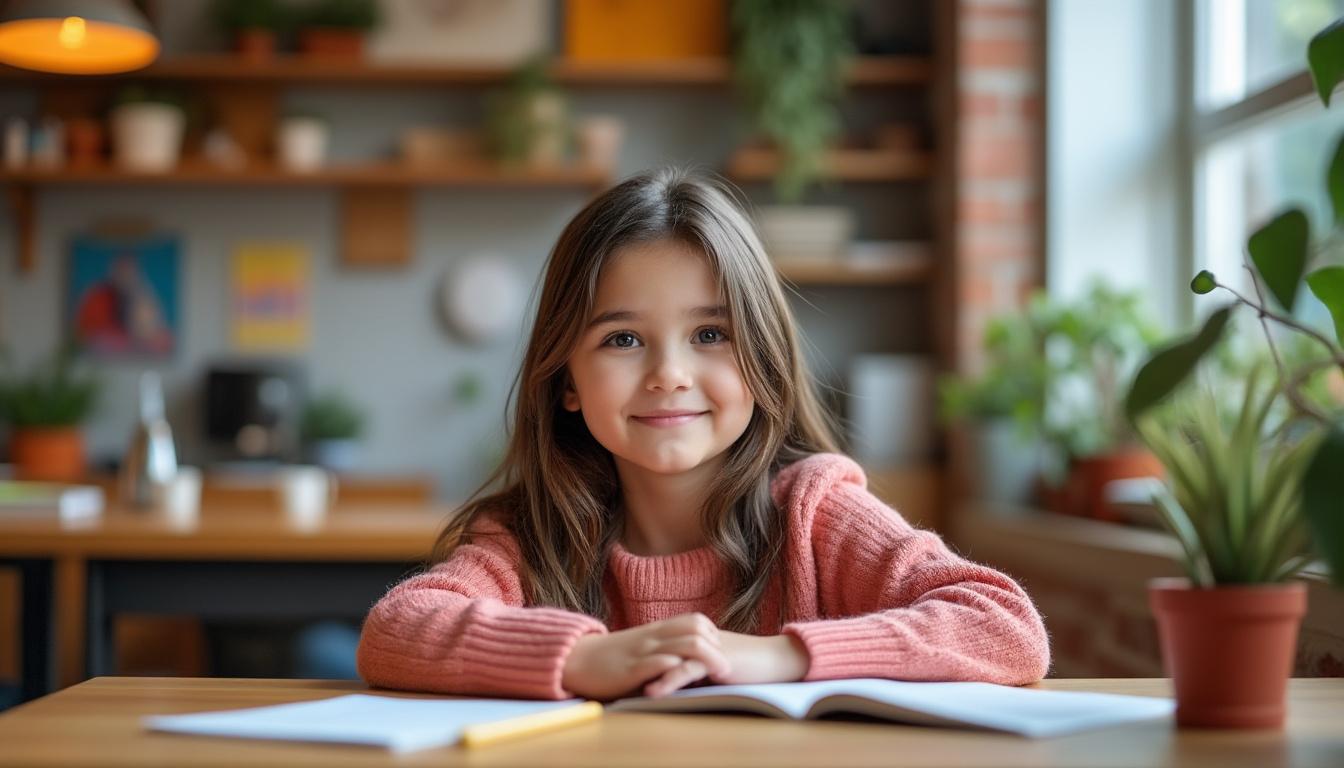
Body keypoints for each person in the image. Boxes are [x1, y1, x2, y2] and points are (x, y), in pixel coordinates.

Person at [356, 167, 1050, 701]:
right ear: (566, 380)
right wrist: (580, 657)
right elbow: (396, 628)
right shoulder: (524, 535)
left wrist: (779, 656)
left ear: (761, 361)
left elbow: (1004, 626)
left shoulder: (816, 514)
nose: (670, 374)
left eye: (710, 334)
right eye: (623, 338)